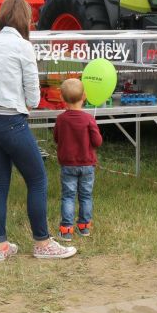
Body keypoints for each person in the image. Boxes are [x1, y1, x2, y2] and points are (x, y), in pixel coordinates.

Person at [0, 0, 77, 262]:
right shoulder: (23, 46)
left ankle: (0, 246)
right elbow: (32, 95)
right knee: (37, 179)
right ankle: (42, 243)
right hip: (11, 122)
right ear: (25, 20)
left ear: (2, 17)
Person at [54, 78, 102, 241]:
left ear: (62, 98)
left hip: (68, 165)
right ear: (85, 96)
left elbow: (56, 138)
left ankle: (66, 230)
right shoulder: (89, 119)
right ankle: (84, 227)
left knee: (68, 196)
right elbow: (97, 142)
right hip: (87, 165)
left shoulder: (61, 119)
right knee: (86, 196)